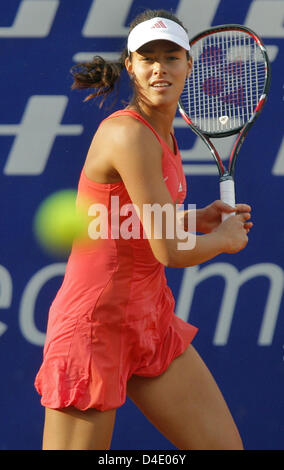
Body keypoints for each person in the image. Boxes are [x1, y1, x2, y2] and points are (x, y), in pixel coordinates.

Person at [34, 9, 252, 450]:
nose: (159, 68)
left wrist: (196, 219)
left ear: (189, 65)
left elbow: (133, 224)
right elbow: (168, 251)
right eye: (147, 57)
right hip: (95, 328)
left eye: (171, 57)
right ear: (130, 65)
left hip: (149, 320)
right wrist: (223, 240)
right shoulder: (128, 136)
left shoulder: (163, 136)